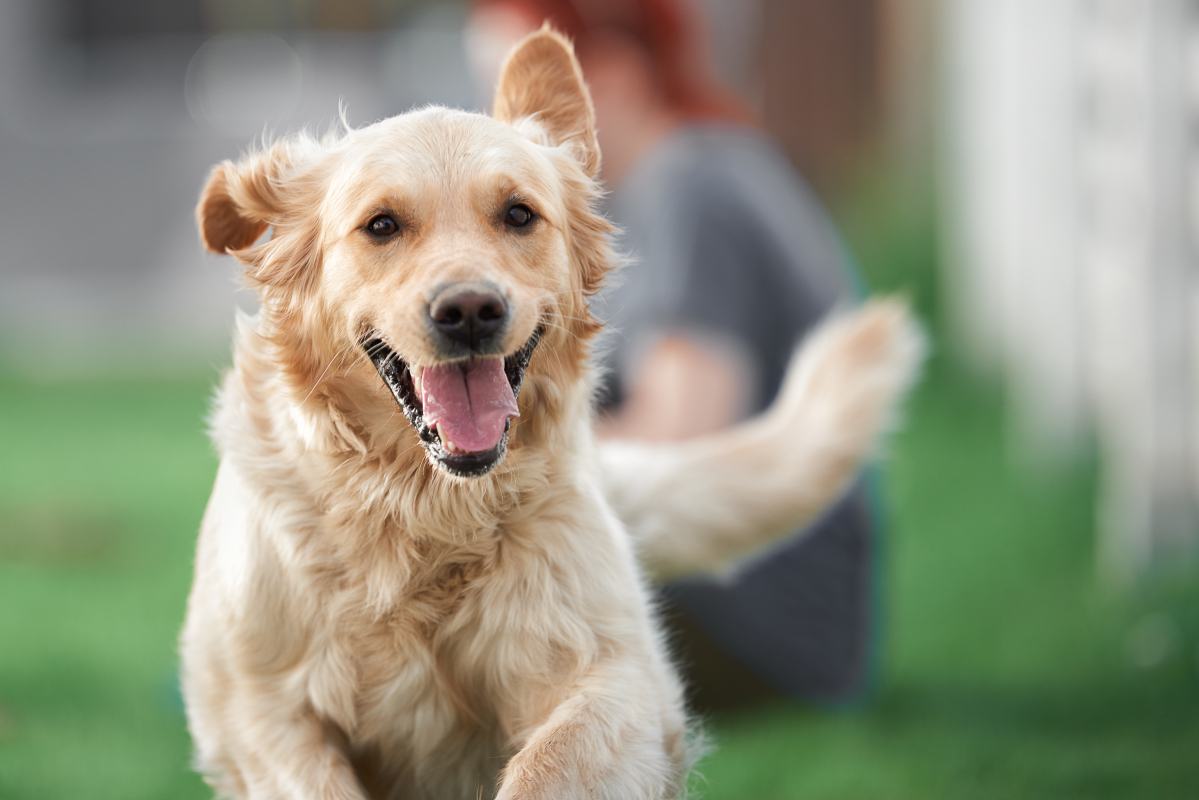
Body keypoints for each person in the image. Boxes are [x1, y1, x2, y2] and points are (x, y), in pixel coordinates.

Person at [468, 0, 879, 708]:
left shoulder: (694, 190)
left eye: (516, 95)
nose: (492, 125)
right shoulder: (655, 189)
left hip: (754, 623)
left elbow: (675, 446)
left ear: (614, 76)